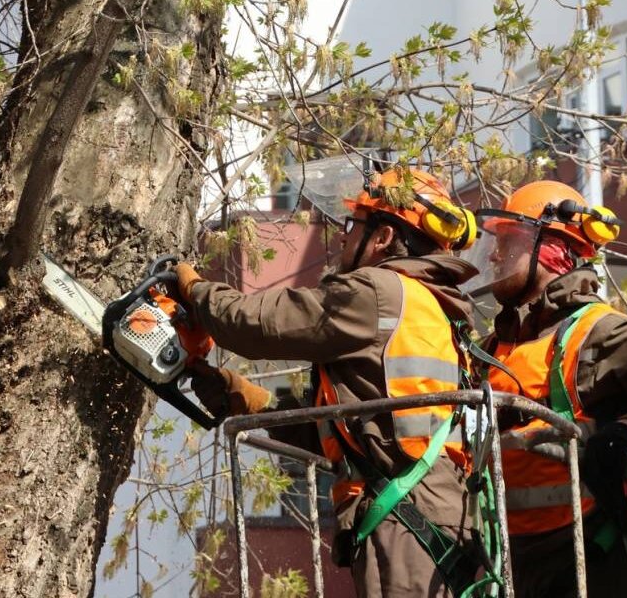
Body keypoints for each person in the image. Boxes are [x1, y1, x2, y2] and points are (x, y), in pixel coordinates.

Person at [177, 167, 482, 597]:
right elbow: (364, 432)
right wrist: (253, 402)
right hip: (436, 514)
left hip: (407, 520)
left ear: (382, 237)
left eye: (352, 225)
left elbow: (256, 324)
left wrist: (193, 289)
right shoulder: (434, 308)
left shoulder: (377, 292)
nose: (343, 237)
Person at [468, 180, 627, 597]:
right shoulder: (495, 347)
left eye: (509, 244)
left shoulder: (598, 329)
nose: (494, 255)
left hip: (585, 557)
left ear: (551, 251)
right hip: (506, 557)